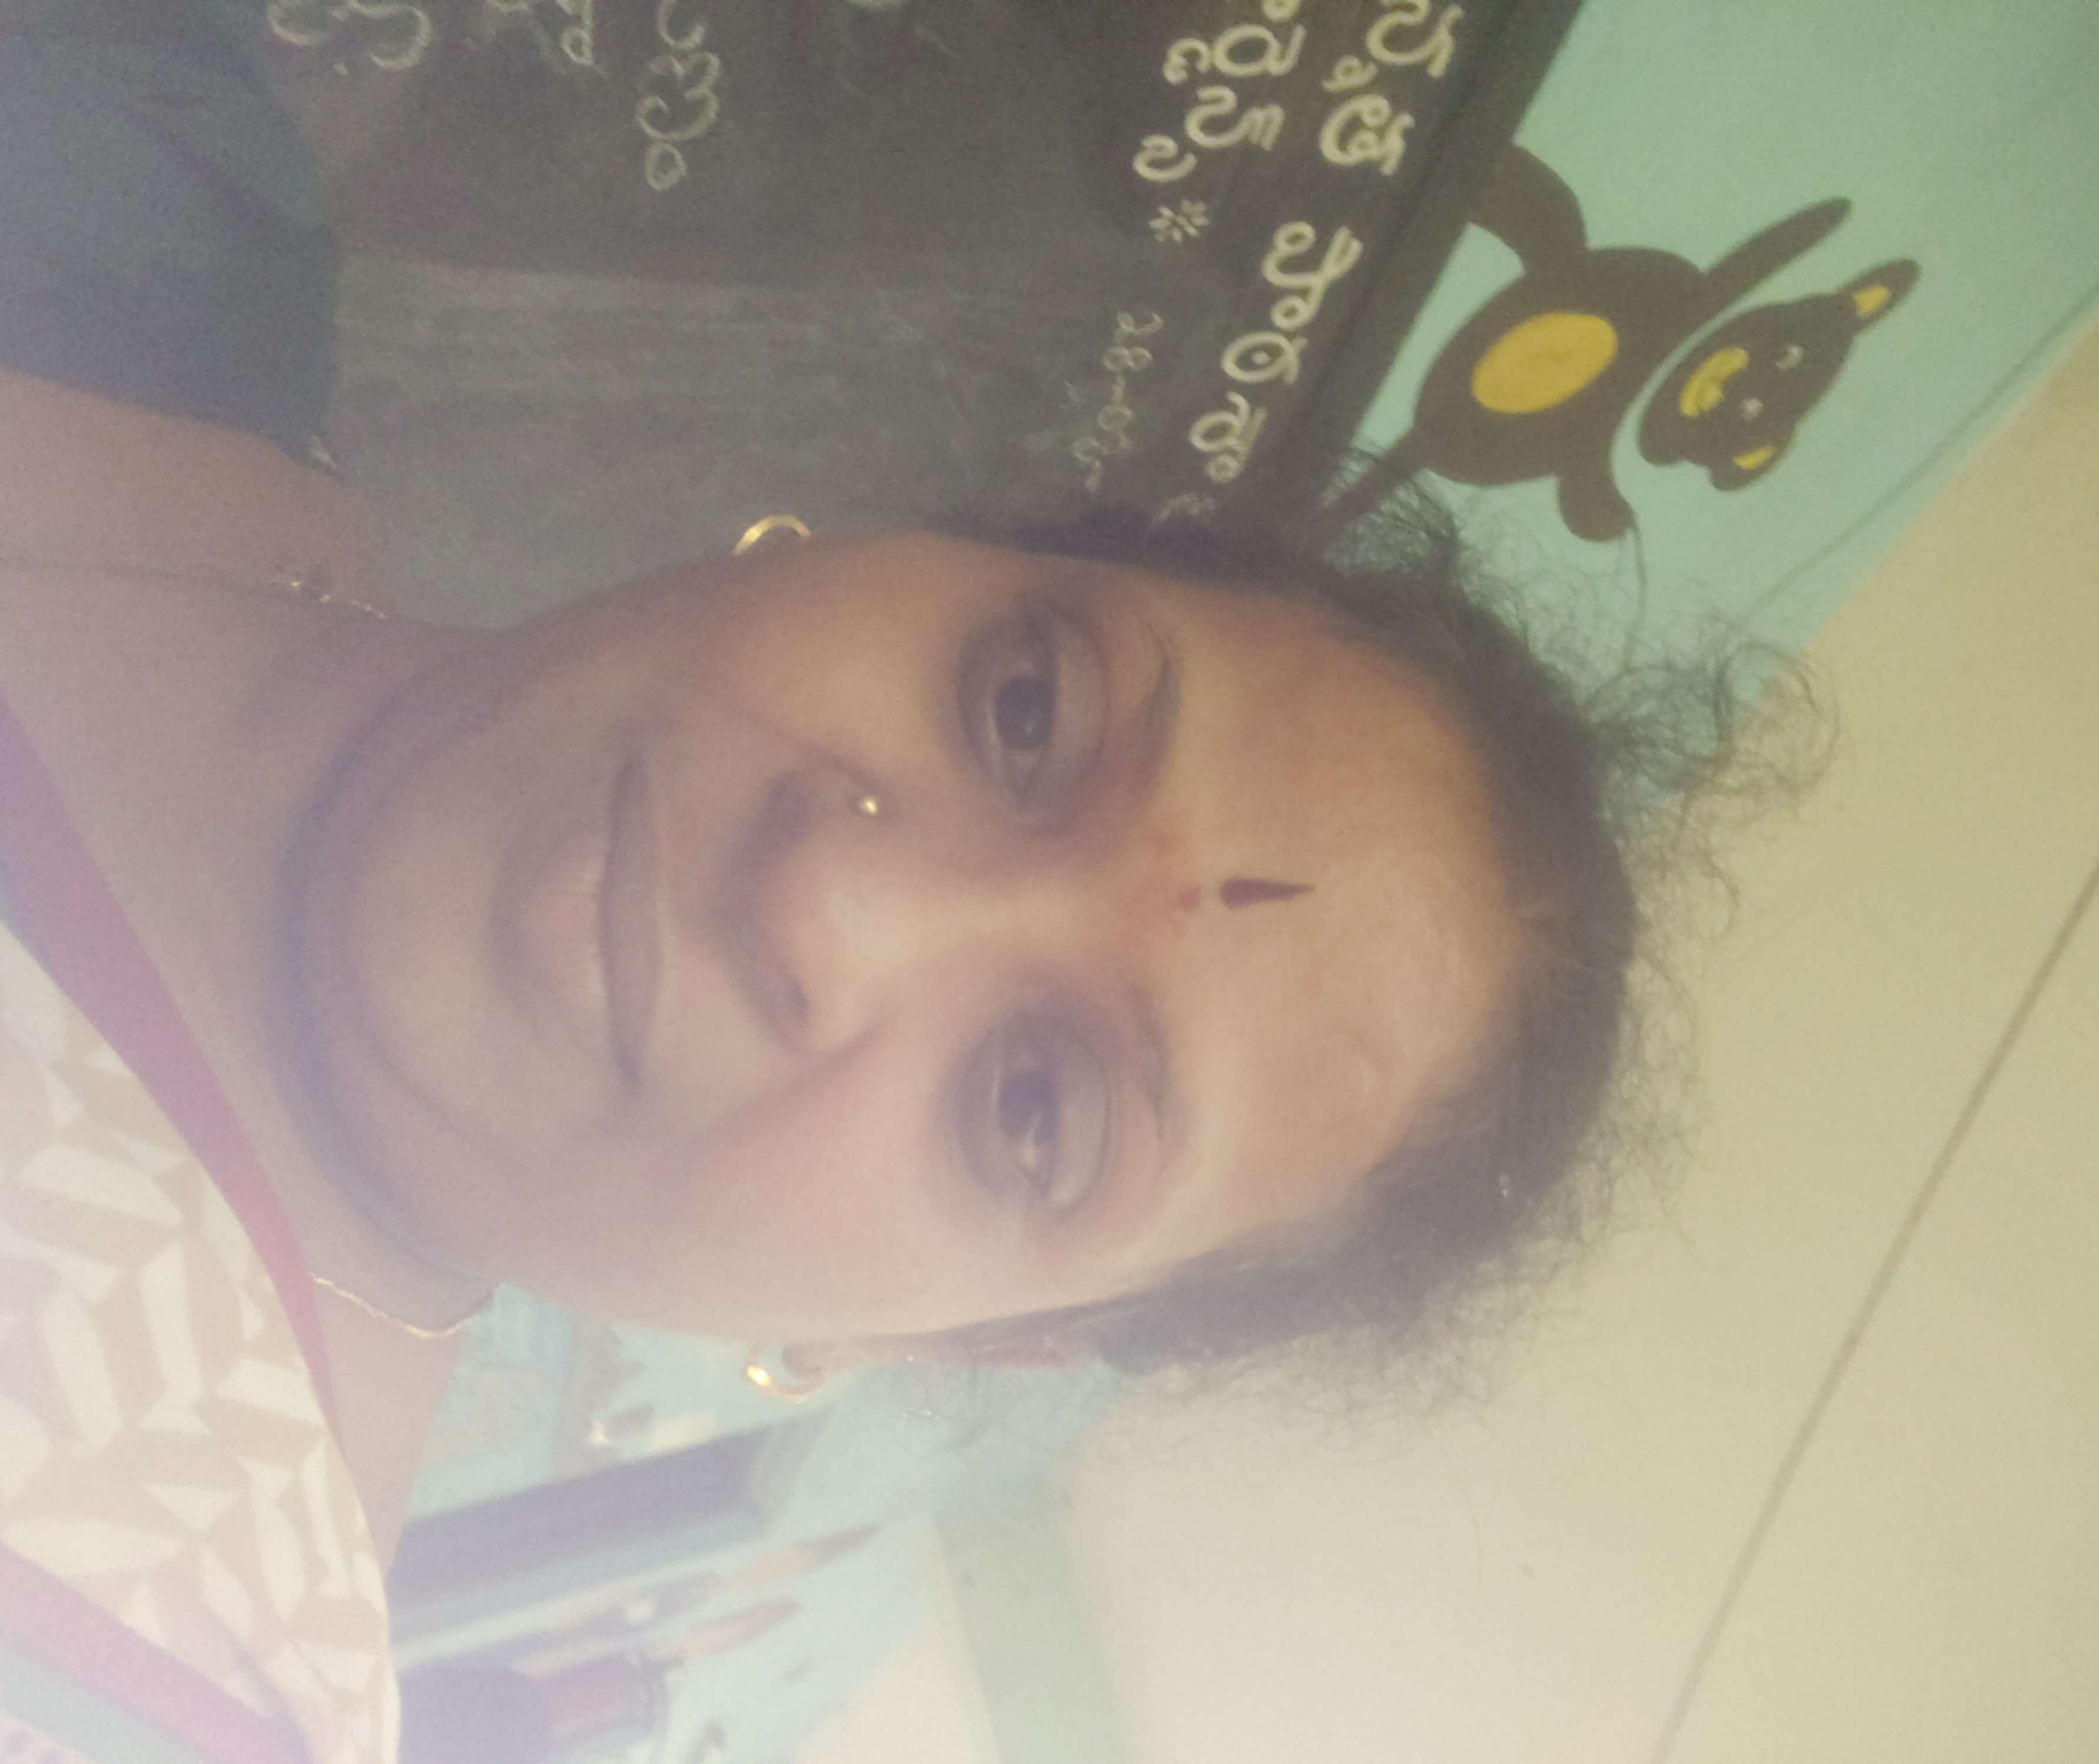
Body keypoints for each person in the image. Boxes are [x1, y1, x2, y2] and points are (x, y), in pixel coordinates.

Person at [0, 4, 1749, 1761]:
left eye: (1036, 1110)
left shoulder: (137, 1655)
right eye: (1024, 708)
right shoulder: (148, 162)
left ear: (965, 1342)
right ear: (899, 541)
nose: (838, 907)